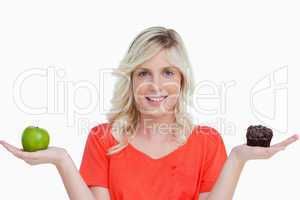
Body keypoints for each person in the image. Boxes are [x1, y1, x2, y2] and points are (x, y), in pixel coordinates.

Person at [0, 26, 298, 200]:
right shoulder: (104, 138)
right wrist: (61, 160)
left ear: (182, 79)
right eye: (144, 73)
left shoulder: (206, 142)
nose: (156, 86)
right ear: (131, 80)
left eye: (168, 72)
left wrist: (238, 159)